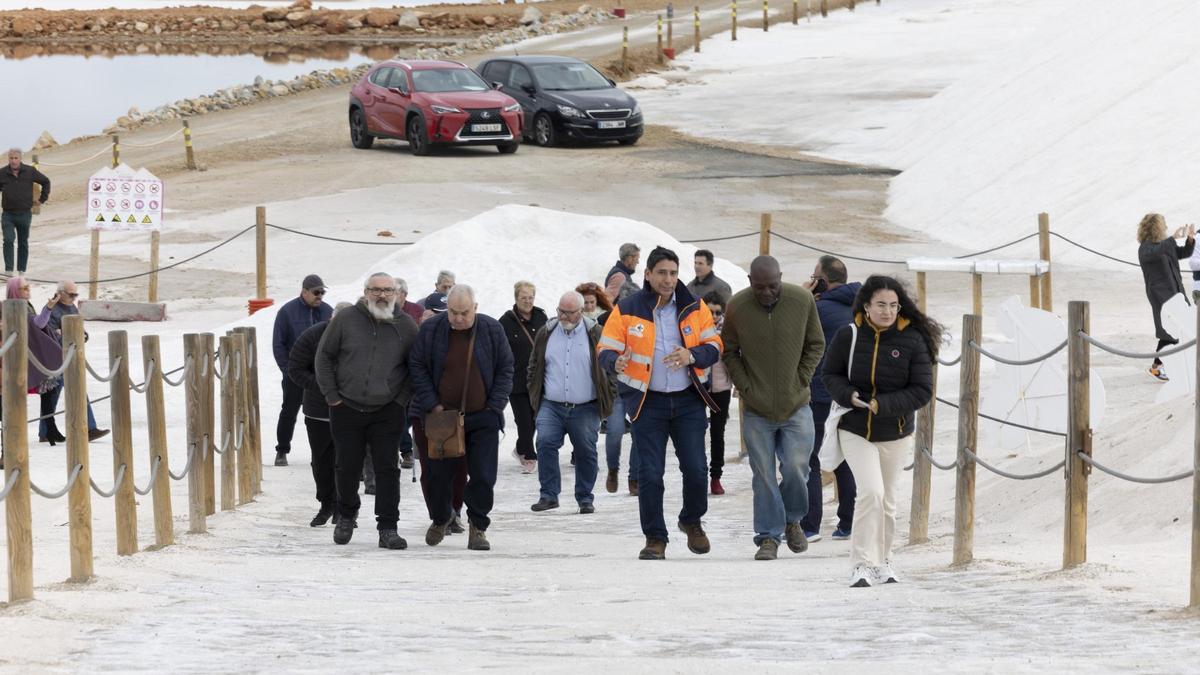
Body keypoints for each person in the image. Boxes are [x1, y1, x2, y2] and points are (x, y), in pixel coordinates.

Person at [597, 246, 723, 560]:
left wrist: (691, 355)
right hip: (646, 403)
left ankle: (691, 521)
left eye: (673, 273)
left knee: (696, 469)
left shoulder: (695, 306)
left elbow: (715, 345)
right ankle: (655, 537)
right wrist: (615, 361)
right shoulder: (627, 308)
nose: (668, 280)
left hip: (688, 402)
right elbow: (605, 348)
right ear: (648, 275)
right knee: (650, 474)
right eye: (662, 273)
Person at [822, 275, 937, 587]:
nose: (887, 311)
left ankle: (884, 560)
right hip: (855, 427)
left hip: (896, 430)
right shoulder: (849, 335)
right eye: (881, 305)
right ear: (867, 305)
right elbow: (829, 374)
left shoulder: (912, 339)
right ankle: (861, 563)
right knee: (871, 493)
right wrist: (849, 395)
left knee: (887, 499)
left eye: (893, 305)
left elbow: (922, 390)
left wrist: (882, 404)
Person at [722, 256, 825, 561]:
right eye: (759, 287)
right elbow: (729, 350)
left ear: (781, 277)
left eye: (772, 286)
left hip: (797, 405)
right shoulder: (738, 306)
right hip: (757, 407)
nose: (766, 292)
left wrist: (802, 377)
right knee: (763, 474)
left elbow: (816, 343)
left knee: (796, 469)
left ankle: (792, 519)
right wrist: (746, 386)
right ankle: (768, 537)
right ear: (750, 282)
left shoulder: (802, 300)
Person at [315, 273, 418, 550]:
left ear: (396, 294)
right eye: (376, 290)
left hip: (387, 409)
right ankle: (347, 516)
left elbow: (415, 367)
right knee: (347, 467)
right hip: (346, 406)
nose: (382, 295)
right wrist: (332, 396)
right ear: (366, 292)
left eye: (388, 291)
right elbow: (324, 356)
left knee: (387, 469)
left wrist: (401, 399)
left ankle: (388, 528)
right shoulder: (346, 319)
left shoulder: (406, 325)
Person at [409, 284, 513, 551]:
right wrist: (432, 404)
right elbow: (417, 365)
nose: (457, 318)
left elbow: (506, 367)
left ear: (475, 308)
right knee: (438, 475)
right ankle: (442, 517)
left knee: (483, 476)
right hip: (443, 417)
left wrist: (495, 405)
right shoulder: (432, 330)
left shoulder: (491, 329)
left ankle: (478, 526)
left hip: (483, 416)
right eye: (453, 312)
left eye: (464, 312)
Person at [527, 291, 613, 514]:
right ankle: (548, 495)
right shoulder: (547, 332)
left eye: (569, 313)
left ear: (581, 311)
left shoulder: (595, 333)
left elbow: (610, 369)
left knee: (586, 451)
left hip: (585, 406)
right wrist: (533, 391)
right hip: (551, 404)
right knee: (545, 443)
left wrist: (608, 396)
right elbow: (534, 365)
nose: (563, 316)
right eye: (560, 311)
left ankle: (585, 497)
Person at [799, 255, 860, 542]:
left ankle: (810, 525)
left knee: (810, 458)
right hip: (853, 392)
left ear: (822, 279)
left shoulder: (816, 307)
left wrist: (803, 295)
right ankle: (847, 522)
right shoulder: (863, 306)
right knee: (845, 454)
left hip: (821, 391)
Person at [288, 301, 352, 527]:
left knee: (347, 462)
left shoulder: (359, 338)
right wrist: (325, 387)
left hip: (351, 410)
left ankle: (345, 509)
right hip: (318, 410)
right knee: (321, 461)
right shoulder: (313, 336)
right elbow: (295, 368)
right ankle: (326, 503)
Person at [34, 280, 109, 444]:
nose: (74, 298)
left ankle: (90, 428)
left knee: (80, 390)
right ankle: (45, 431)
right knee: (53, 395)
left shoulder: (72, 307)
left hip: (72, 356)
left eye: (76, 294)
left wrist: (83, 335)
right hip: (57, 359)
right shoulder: (52, 309)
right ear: (60, 293)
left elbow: (79, 328)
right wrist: (65, 334)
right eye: (71, 294)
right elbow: (49, 334)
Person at [271, 274, 332, 467]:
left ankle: (324, 452)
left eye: (322, 292)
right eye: (316, 292)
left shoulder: (328, 311)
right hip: (295, 373)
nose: (319, 296)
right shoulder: (287, 312)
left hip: (320, 375)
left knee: (325, 414)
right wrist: (287, 370)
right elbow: (278, 344)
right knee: (289, 410)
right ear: (304, 291)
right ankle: (282, 449)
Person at [5, 277, 65, 443]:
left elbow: (35, 325)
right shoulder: (14, 307)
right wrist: (48, 308)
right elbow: (38, 323)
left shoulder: (24, 306)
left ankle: (49, 430)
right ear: (16, 291)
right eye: (25, 288)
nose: (28, 289)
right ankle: (46, 431)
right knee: (15, 399)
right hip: (17, 360)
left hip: (28, 356)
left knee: (48, 390)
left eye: (28, 286)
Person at [1137, 214, 1195, 381]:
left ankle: (1161, 365)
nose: (1166, 227)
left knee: (1175, 330)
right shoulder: (1146, 248)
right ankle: (1158, 366)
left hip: (1175, 292)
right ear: (1155, 228)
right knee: (1170, 330)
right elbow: (1157, 251)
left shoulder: (1162, 245)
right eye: (1164, 225)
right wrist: (1173, 238)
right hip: (1161, 295)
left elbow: (1182, 253)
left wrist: (1189, 240)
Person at [499, 280, 548, 473]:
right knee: (524, 420)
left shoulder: (541, 317)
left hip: (539, 379)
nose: (528, 301)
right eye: (523, 297)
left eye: (530, 297)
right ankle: (529, 456)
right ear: (516, 298)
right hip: (516, 379)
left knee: (536, 418)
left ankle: (521, 448)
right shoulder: (505, 322)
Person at [0, 148, 50, 275]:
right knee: (8, 240)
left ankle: (21, 271)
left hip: (24, 214)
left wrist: (42, 199)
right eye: (11, 158)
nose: (13, 161)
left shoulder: (30, 171)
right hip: (8, 214)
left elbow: (45, 182)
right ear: (8, 159)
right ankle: (9, 271)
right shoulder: (2, 173)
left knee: (23, 242)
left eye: (16, 158)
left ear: (20, 159)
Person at [700, 291, 731, 495]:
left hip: (720, 387)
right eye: (709, 311)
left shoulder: (728, 331)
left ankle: (716, 476)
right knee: (696, 431)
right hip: (699, 386)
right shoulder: (696, 329)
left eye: (717, 312)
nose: (713, 316)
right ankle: (698, 474)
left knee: (717, 433)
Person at [394, 277, 424, 469]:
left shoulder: (416, 311)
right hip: (394, 372)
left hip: (412, 371)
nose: (391, 296)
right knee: (397, 414)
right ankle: (406, 451)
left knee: (407, 415)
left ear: (404, 294)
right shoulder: (384, 312)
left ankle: (405, 449)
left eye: (395, 292)